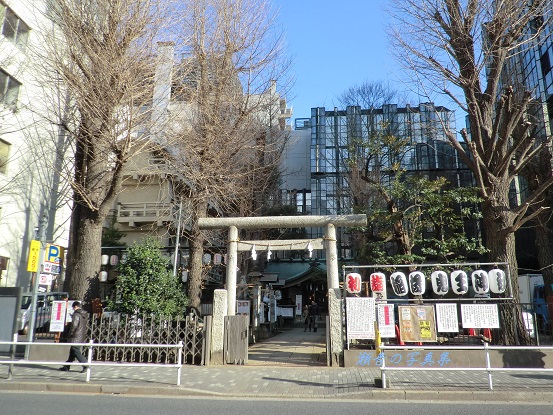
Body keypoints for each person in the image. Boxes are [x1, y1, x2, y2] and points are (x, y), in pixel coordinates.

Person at [59, 301, 89, 373]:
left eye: (73, 308)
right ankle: (67, 366)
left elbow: (74, 326)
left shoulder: (76, 314)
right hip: (81, 335)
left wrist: (70, 334)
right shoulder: (83, 315)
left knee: (75, 350)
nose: (73, 309)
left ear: (75, 307)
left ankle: (85, 364)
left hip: (75, 336)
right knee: (72, 351)